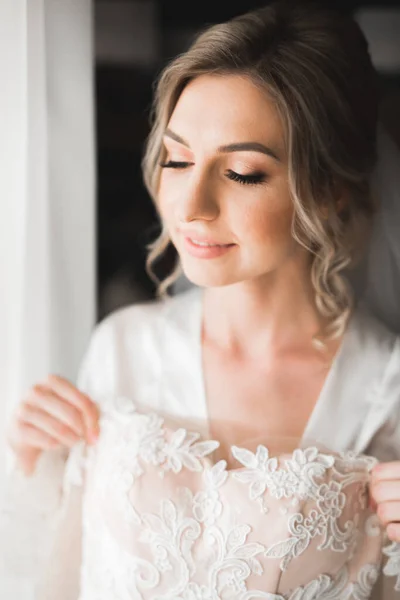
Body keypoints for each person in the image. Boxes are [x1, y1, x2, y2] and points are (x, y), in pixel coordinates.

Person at [2, 1, 400, 598]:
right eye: (178, 158)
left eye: (242, 172)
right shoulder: (122, 346)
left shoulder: (385, 388)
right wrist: (36, 466)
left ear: (330, 193)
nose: (191, 207)